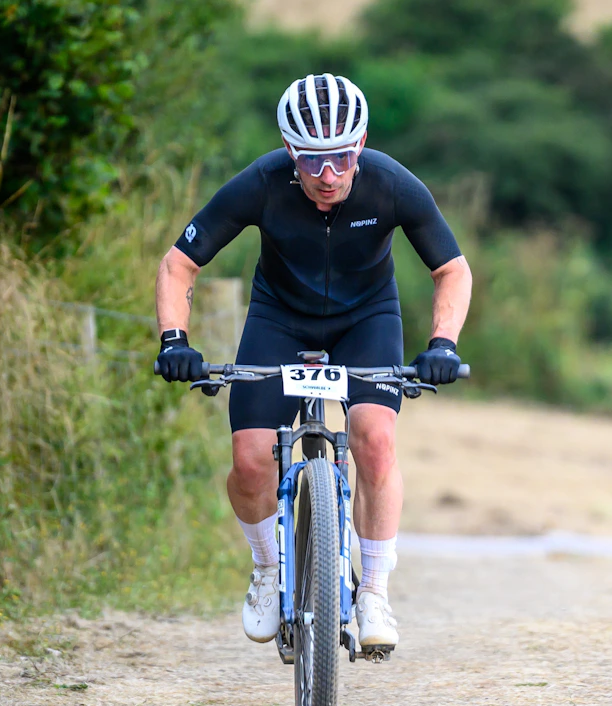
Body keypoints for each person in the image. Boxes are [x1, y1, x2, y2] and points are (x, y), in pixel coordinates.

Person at [152, 73, 471, 655]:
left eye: (342, 159)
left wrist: (443, 344)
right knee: (251, 460)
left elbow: (452, 269)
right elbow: (179, 264)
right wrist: (175, 340)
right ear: (289, 152)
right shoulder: (262, 183)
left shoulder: (394, 185)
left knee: (374, 439)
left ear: (362, 145)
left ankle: (373, 590)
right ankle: (269, 568)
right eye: (312, 162)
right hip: (280, 320)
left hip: (365, 320)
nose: (328, 177)